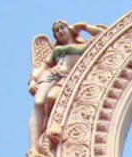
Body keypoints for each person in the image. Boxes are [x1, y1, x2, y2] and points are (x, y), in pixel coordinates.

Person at [28, 21, 104, 149]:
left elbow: (105, 35)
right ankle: (33, 146)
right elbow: (44, 66)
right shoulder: (56, 50)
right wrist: (33, 79)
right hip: (50, 74)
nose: (60, 31)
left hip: (67, 77)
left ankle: (53, 127)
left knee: (52, 98)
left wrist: (84, 27)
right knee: (38, 103)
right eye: (56, 31)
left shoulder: (85, 45)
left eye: (62, 28)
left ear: (69, 29)